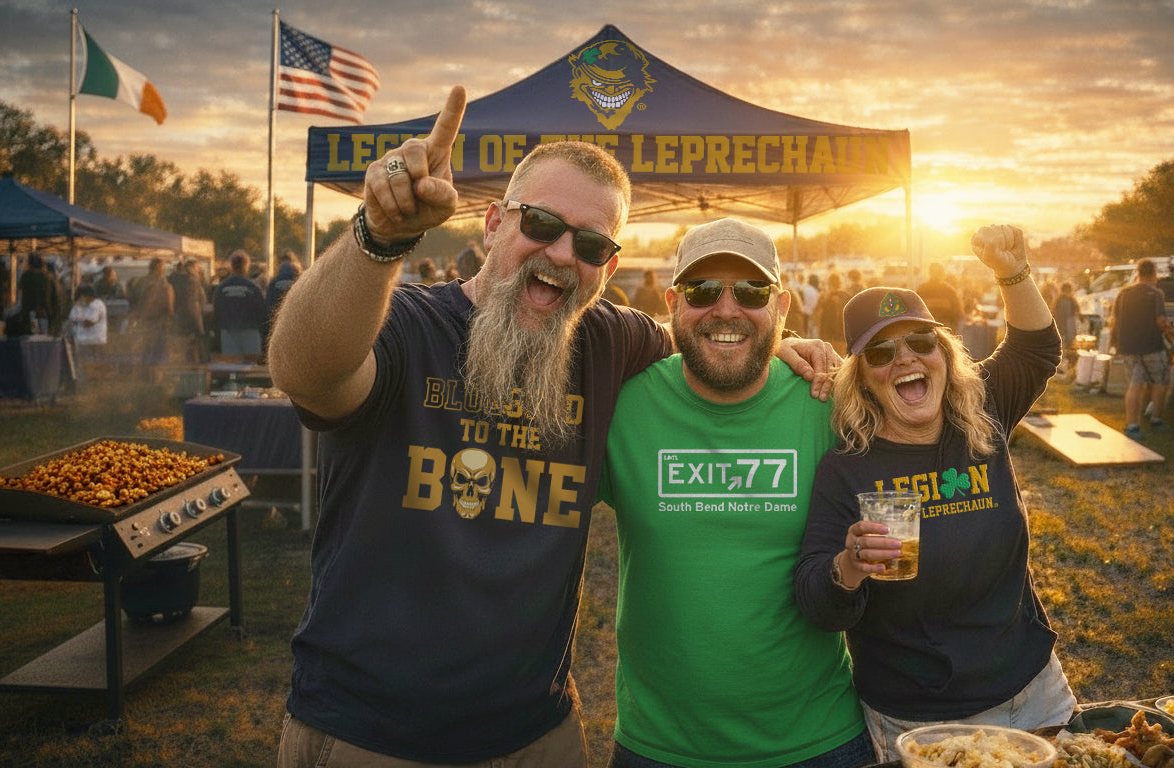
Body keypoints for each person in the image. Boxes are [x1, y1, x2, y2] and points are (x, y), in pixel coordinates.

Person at [267, 87, 835, 767]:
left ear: (608, 267)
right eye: (541, 224)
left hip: (536, 734)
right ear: (492, 225)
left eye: (591, 243)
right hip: (371, 735)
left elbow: (711, 329)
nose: (564, 253)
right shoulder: (405, 326)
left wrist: (783, 342)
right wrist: (377, 238)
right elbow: (306, 373)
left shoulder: (609, 343)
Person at [794, 225, 1075, 761]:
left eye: (921, 342)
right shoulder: (847, 469)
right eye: (880, 353)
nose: (905, 359)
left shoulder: (981, 417)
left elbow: (1037, 349)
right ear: (863, 378)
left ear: (944, 354)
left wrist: (1012, 271)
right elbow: (817, 599)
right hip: (915, 722)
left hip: (1031, 695)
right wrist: (851, 563)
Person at [600, 219, 869, 768]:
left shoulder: (829, 402)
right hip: (659, 745)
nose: (726, 309)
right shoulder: (622, 404)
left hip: (819, 740)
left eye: (751, 292)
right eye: (702, 291)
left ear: (782, 307)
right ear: (672, 302)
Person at [1111, 258, 1172, 439]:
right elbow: (1160, 321)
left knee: (1135, 385)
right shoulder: (1155, 293)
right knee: (1160, 383)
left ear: (1138, 273)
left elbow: (1115, 320)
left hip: (1129, 346)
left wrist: (1115, 343)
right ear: (1153, 274)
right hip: (1152, 345)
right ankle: (1156, 419)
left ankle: (1132, 426)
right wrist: (1170, 330)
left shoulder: (1123, 293)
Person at [213, 250, 268, 363]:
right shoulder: (253, 287)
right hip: (250, 333)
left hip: (229, 333)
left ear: (231, 266)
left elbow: (217, 311)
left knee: (232, 367)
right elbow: (262, 311)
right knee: (251, 367)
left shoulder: (222, 287)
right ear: (246, 266)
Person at [130, 258, 175, 371]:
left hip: (145, 320)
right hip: (158, 320)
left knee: (146, 347)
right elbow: (169, 304)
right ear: (158, 268)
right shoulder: (163, 284)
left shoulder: (141, 282)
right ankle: (154, 374)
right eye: (162, 267)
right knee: (156, 349)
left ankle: (145, 372)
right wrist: (170, 317)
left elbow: (132, 300)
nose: (163, 269)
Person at [168, 259, 209, 363]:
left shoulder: (171, 279)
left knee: (179, 343)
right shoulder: (194, 279)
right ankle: (200, 363)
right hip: (194, 315)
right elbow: (202, 299)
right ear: (193, 268)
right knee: (198, 342)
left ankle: (181, 365)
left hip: (177, 315)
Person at [16, 253, 61, 335]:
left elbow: (21, 295)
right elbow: (56, 298)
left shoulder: (25, 276)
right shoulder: (49, 277)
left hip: (28, 314)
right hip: (45, 313)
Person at [916, 261, 964, 331]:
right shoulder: (950, 291)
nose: (936, 274)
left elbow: (957, 313)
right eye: (935, 272)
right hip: (935, 328)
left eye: (938, 272)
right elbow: (958, 314)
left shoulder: (922, 289)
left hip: (930, 329)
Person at [814, 271, 852, 351]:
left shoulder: (824, 296)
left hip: (827, 334)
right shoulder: (847, 296)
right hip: (842, 335)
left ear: (829, 283)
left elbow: (817, 314)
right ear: (840, 283)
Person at [65, 283, 107, 347]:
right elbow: (71, 319)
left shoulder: (97, 304)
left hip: (94, 341)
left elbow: (89, 322)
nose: (80, 299)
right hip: (82, 341)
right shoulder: (79, 305)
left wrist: (78, 321)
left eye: (82, 296)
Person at [1053, 281, 1081, 373]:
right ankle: (1063, 366)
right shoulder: (1060, 300)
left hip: (1067, 325)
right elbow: (1055, 313)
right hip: (1064, 325)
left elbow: (1077, 311)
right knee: (1063, 346)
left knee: (1069, 345)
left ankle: (1069, 365)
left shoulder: (1069, 300)